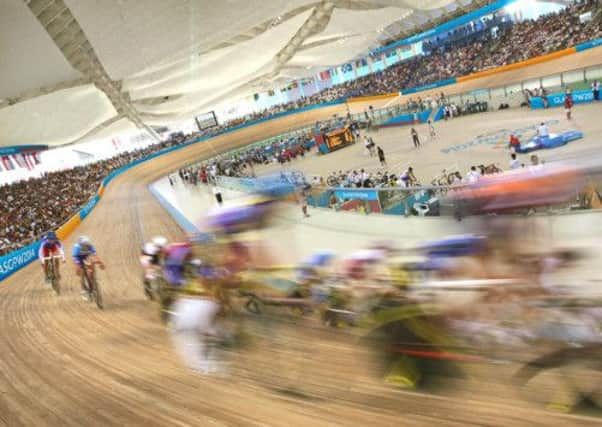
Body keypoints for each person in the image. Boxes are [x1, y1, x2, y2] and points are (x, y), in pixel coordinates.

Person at [72, 236, 105, 301]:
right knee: (81, 273)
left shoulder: (90, 246)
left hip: (87, 256)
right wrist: (78, 267)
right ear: (81, 245)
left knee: (92, 263)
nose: (86, 246)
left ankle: (93, 278)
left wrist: (100, 263)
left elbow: (95, 256)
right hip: (79, 258)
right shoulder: (76, 248)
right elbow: (76, 260)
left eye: (87, 245)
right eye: (84, 245)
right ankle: (84, 289)